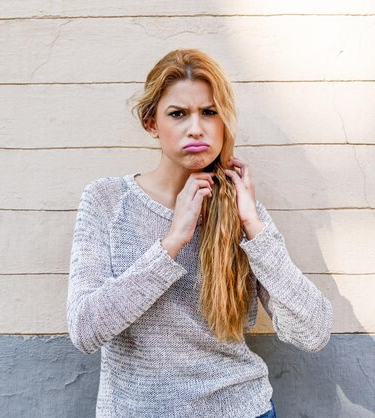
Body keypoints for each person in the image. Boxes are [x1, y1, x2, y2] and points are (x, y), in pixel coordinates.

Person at [66, 48, 333, 418]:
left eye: (209, 112)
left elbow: (313, 332)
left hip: (240, 409)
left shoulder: (243, 212)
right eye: (178, 114)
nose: (196, 128)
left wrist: (254, 228)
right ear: (151, 123)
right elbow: (85, 330)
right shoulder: (107, 201)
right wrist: (172, 241)